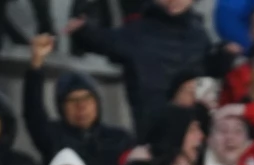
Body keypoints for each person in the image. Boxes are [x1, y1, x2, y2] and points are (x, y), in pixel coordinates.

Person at [66, 0, 211, 137]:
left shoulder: (200, 35)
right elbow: (103, 40)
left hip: (194, 132)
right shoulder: (136, 33)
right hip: (154, 132)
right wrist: (83, 31)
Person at [23, 35, 135, 165]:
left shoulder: (119, 138)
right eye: (72, 101)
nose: (81, 106)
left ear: (97, 103)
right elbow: (32, 111)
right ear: (61, 108)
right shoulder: (53, 136)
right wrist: (36, 63)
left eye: (87, 99)